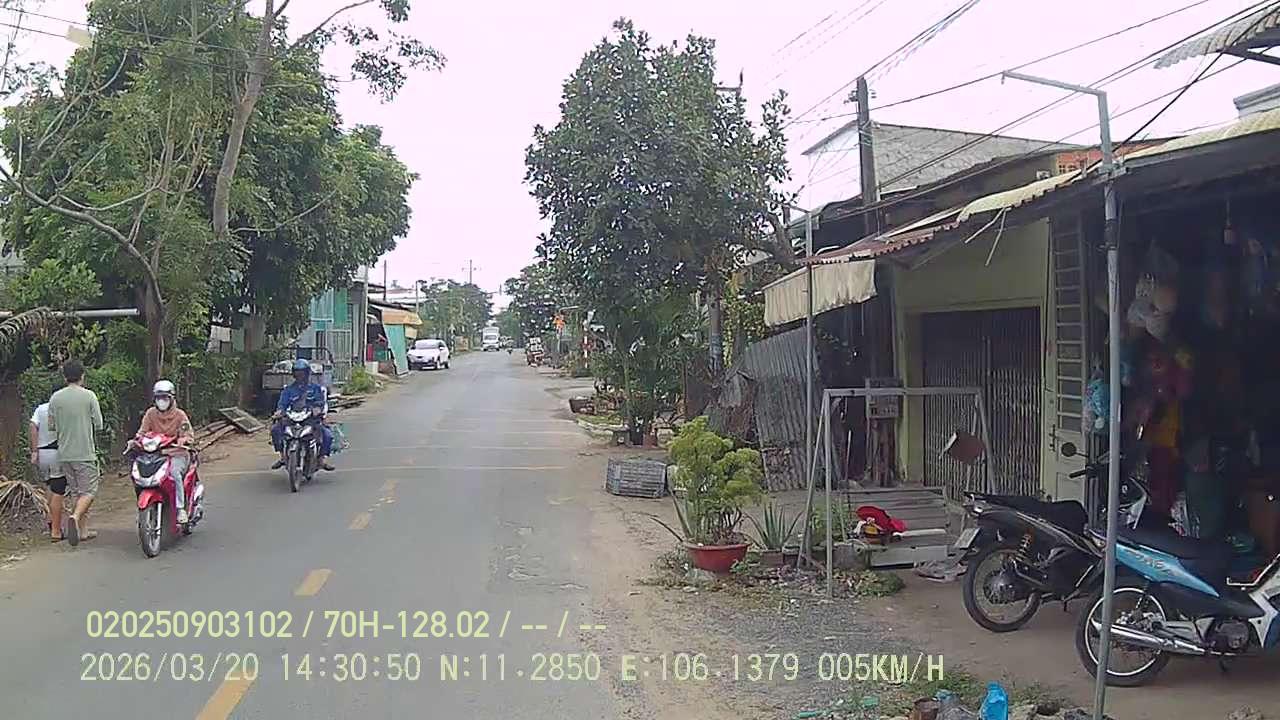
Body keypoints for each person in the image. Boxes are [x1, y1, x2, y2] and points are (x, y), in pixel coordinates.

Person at [47, 359, 103, 547]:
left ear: (64, 377)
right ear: (82, 376)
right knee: (89, 491)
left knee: (76, 492)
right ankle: (75, 517)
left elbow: (51, 425)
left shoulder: (55, 398)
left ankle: (83, 530)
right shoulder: (89, 396)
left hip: (64, 453)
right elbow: (99, 424)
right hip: (84, 452)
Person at [135, 380, 196, 524]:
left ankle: (180, 508)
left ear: (172, 398)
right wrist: (136, 440)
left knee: (174, 474)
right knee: (138, 475)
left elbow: (189, 435)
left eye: (165, 398)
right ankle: (143, 509)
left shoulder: (180, 415)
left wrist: (184, 440)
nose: (161, 401)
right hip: (155, 455)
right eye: (158, 398)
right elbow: (141, 432)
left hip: (177, 454)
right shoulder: (150, 414)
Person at [270, 359, 333, 471]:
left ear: (307, 373)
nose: (300, 376)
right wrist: (279, 412)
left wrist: (317, 409)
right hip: (292, 419)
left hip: (310, 419)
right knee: (275, 430)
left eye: (302, 373)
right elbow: (282, 404)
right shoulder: (288, 390)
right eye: (297, 373)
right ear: (294, 374)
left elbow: (320, 403)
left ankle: (321, 459)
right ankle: (283, 457)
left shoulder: (316, 389)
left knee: (327, 435)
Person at [30, 381, 65, 542]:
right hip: (57, 452)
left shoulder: (41, 408)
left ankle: (51, 520)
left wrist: (34, 451)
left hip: (42, 453)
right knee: (58, 490)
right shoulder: (62, 409)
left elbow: (33, 426)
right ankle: (56, 530)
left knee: (49, 486)